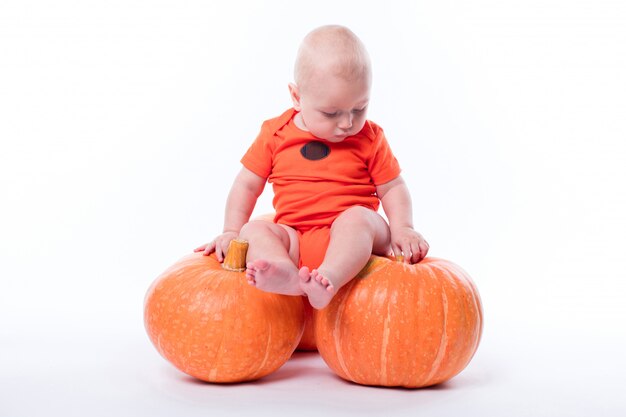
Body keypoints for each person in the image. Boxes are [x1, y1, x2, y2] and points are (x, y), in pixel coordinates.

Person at [195, 25, 429, 309]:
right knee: (254, 231)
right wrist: (231, 230)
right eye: (331, 113)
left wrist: (403, 228)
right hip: (295, 237)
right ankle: (287, 274)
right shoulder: (276, 134)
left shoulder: (370, 138)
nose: (347, 123)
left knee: (356, 218)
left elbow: (392, 187)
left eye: (359, 108)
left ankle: (329, 278)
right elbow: (246, 184)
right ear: (296, 97)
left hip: (354, 240)